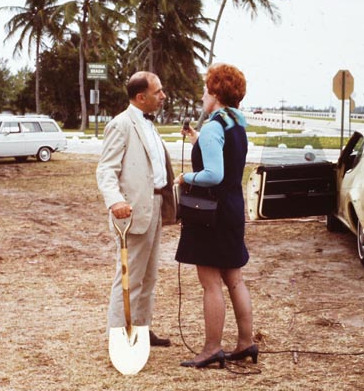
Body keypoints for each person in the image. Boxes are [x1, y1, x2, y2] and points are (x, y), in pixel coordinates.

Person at [175, 63, 256, 368]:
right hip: (233, 207)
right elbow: (224, 157)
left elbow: (213, 174)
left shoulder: (213, 126)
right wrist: (198, 139)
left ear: (216, 92)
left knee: (210, 283)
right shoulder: (235, 123)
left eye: (206, 89)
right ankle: (246, 342)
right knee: (234, 278)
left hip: (213, 213)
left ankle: (212, 348)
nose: (203, 95)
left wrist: (185, 177)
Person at [96, 71, 177, 347]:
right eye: (158, 92)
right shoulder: (121, 125)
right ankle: (119, 336)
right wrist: (115, 201)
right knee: (129, 277)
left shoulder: (150, 125)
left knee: (149, 275)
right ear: (141, 97)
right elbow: (106, 169)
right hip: (131, 212)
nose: (163, 96)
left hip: (155, 207)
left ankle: (141, 329)